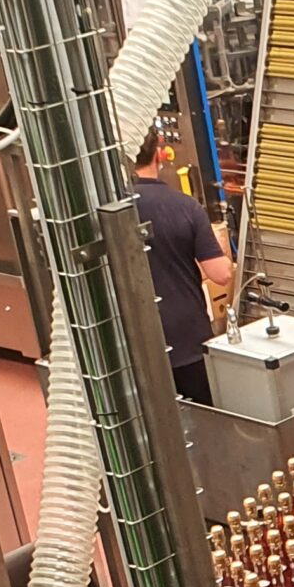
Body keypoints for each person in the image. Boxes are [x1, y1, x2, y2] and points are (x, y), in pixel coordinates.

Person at [129, 126, 234, 403]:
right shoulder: (185, 206)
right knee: (202, 416)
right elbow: (220, 274)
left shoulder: (111, 210)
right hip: (186, 338)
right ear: (159, 153)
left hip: (134, 342)